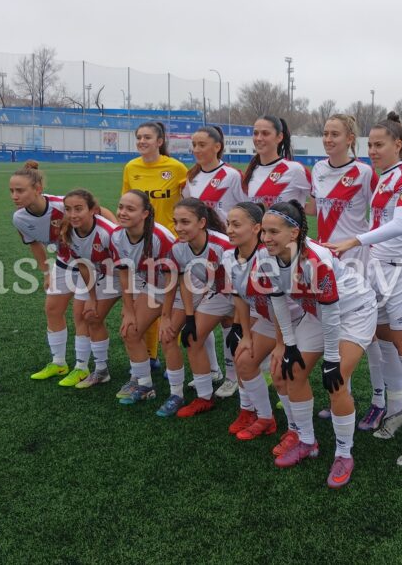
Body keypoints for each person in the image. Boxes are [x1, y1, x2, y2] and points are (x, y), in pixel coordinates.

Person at [325, 112, 402, 467]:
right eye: (370, 144)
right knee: (382, 340)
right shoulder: (385, 177)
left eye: (379, 144)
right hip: (379, 272)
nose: (372, 150)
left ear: (397, 145)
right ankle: (397, 409)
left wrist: (354, 239)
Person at [262, 200, 377, 487]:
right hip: (318, 310)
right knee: (294, 372)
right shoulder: (266, 258)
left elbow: (333, 310)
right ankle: (307, 441)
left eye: (273, 232)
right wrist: (287, 345)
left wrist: (331, 359)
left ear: (294, 233)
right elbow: (278, 303)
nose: (265, 238)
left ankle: (343, 453)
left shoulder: (315, 259)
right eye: (263, 231)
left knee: (335, 381)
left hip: (353, 310)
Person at [309, 114, 392, 432]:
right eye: (325, 134)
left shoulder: (364, 172)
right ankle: (342, 397)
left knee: (368, 337)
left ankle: (379, 402)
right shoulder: (317, 169)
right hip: (327, 262)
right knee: (339, 333)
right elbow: (317, 207)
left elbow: (384, 209)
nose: (328, 139)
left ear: (350, 139)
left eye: (335, 134)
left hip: (358, 262)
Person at [182, 125, 247, 395]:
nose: (196, 149)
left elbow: (247, 209)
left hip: (228, 253)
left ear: (217, 147)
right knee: (201, 313)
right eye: (194, 145)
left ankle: (232, 375)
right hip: (201, 254)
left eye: (202, 144)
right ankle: (212, 370)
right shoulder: (191, 178)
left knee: (229, 317)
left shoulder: (231, 176)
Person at [122, 121, 190, 378]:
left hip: (172, 245)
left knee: (173, 306)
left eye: (147, 137)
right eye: (139, 137)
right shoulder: (131, 167)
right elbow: (128, 203)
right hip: (143, 246)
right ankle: (150, 357)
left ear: (160, 141)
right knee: (145, 299)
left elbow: (188, 203)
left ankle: (173, 354)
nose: (142, 141)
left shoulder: (176, 168)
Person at [159, 198, 236, 417]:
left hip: (246, 296)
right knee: (192, 337)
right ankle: (204, 397)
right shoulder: (179, 248)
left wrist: (239, 322)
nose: (179, 227)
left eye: (185, 222)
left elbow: (242, 285)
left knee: (246, 347)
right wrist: (190, 317)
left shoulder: (224, 246)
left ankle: (241, 388)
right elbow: (183, 282)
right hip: (219, 294)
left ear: (202, 222)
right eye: (176, 222)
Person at [10, 160, 83, 382]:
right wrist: (46, 272)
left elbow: (100, 215)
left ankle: (83, 367)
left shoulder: (63, 206)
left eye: (20, 190)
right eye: (11, 191)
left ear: (38, 189)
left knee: (84, 315)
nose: (14, 196)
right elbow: (34, 244)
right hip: (63, 261)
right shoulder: (19, 218)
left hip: (92, 264)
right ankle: (59, 364)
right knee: (52, 310)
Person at [223, 202, 287, 441]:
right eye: (228, 223)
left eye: (236, 224)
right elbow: (239, 296)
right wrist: (245, 334)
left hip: (295, 320)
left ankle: (296, 431)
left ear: (256, 228)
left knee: (283, 371)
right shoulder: (229, 256)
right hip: (269, 319)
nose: (229, 229)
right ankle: (264, 418)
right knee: (244, 360)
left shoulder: (268, 257)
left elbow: (281, 304)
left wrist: (281, 344)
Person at [111, 190, 179, 406]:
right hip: (151, 287)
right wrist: (129, 309)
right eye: (121, 207)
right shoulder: (117, 236)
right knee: (129, 331)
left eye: (130, 209)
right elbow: (124, 273)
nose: (122, 212)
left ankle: (185, 390)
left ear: (145, 214)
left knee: (172, 337)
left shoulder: (160, 237)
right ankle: (144, 385)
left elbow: (172, 278)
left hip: (178, 290)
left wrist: (166, 316)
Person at [58, 189, 121, 388]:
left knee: (99, 319)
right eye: (68, 209)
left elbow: (127, 267)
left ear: (93, 210)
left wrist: (130, 304)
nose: (73, 214)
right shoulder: (67, 231)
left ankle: (136, 374)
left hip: (125, 275)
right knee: (86, 314)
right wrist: (92, 297)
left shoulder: (108, 233)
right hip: (100, 274)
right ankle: (94, 369)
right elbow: (84, 266)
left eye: (79, 209)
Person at [243, 115, 311, 209]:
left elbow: (319, 201)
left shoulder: (294, 169)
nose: (258, 138)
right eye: (255, 133)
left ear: (279, 137)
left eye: (265, 133)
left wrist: (295, 211)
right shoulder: (252, 170)